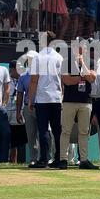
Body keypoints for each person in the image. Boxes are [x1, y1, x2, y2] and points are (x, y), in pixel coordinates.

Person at [59, 38, 98, 170]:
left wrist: (82, 63)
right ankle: (63, 159)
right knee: (66, 131)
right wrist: (82, 77)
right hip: (69, 101)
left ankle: (84, 160)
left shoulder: (90, 62)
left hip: (85, 102)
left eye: (85, 47)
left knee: (84, 132)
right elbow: (67, 80)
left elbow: (92, 78)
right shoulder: (66, 62)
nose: (82, 49)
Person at [28, 32, 63, 168]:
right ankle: (59, 158)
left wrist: (31, 100)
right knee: (57, 130)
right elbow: (62, 80)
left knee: (43, 130)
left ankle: (43, 159)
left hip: (42, 99)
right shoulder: (59, 57)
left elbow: (33, 81)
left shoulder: (38, 57)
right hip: (56, 98)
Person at [17, 51, 40, 166]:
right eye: (29, 59)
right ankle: (33, 158)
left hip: (41, 106)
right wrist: (18, 112)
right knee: (31, 135)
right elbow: (20, 94)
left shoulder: (43, 74)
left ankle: (46, 157)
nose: (31, 60)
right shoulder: (23, 75)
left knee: (45, 133)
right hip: (27, 107)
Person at [6, 60, 27, 164]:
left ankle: (22, 161)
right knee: (11, 141)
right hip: (8, 114)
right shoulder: (7, 80)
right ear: (12, 69)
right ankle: (11, 161)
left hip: (21, 114)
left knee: (21, 141)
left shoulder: (23, 79)